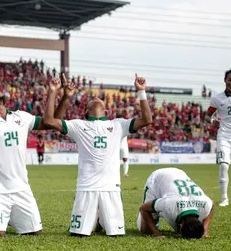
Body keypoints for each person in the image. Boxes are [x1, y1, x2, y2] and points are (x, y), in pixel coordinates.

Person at [0, 75, 73, 236]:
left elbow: (51, 122)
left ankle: (7, 218)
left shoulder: (21, 117)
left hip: (22, 189)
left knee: (35, 233)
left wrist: (59, 94)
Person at [43, 74, 152, 236]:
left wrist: (141, 92)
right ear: (86, 111)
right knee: (78, 234)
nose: (95, 97)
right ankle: (97, 218)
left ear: (106, 111)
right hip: (86, 189)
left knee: (116, 235)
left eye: (99, 98)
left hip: (111, 189)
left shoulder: (118, 125)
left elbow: (147, 120)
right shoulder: (78, 126)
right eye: (91, 99)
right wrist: (56, 93)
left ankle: (99, 218)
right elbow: (49, 121)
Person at [137, 168, 214, 239]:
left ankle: (158, 211)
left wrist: (205, 230)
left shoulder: (205, 205)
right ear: (181, 224)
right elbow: (143, 208)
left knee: (185, 229)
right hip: (158, 178)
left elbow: (211, 205)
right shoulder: (169, 205)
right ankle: (157, 212)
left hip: (180, 174)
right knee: (145, 231)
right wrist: (156, 233)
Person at [205, 69, 231, 207]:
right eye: (230, 79)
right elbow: (207, 116)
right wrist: (212, 122)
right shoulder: (217, 98)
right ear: (225, 80)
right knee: (223, 165)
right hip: (224, 137)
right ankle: (224, 198)